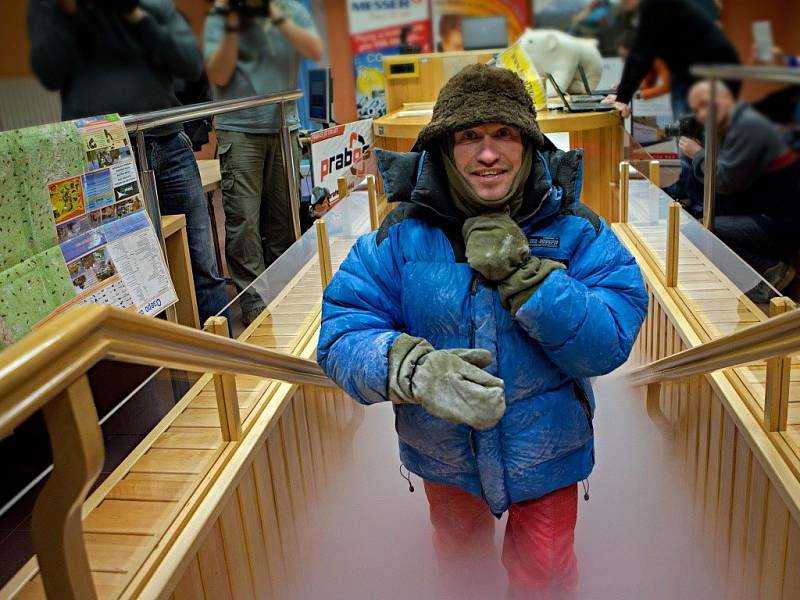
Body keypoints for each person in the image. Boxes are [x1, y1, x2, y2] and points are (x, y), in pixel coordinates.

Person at [317, 64, 649, 599]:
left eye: (504, 134)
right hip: (445, 457)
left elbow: (612, 335)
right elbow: (341, 330)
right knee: (461, 567)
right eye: (469, 136)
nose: (487, 153)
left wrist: (532, 282)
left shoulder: (575, 227)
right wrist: (411, 368)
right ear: (445, 149)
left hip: (548, 455)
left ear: (528, 145)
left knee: (546, 574)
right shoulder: (401, 233)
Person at [28, 0, 229, 326]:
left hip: (168, 144)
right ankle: (152, 366)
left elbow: (190, 65)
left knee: (200, 261)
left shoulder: (152, 5)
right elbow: (50, 71)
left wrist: (134, 15)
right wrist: (66, 15)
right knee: (118, 275)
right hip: (97, 159)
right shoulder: (53, 7)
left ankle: (226, 357)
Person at [204, 0, 323, 325]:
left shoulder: (288, 9)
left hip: (284, 126)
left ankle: (287, 295)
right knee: (244, 225)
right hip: (239, 130)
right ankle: (256, 306)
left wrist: (274, 14)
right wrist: (232, 21)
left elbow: (312, 50)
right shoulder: (221, 14)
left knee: (285, 221)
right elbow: (218, 72)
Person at [681, 80, 800, 298]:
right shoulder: (733, 126)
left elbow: (725, 181)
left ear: (727, 98)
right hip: (764, 212)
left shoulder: (749, 126)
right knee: (697, 224)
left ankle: (769, 272)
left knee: (695, 233)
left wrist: (697, 154)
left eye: (706, 104)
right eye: (697, 109)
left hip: (779, 221)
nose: (701, 114)